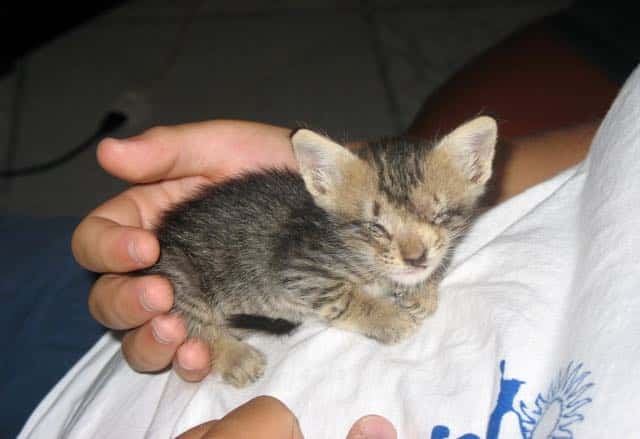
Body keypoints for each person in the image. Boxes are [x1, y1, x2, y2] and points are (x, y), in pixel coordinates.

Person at [14, 12, 640, 438]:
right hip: (166, 315)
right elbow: (301, 270)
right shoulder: (337, 231)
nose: (419, 252)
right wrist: (373, 296)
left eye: (437, 221)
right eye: (383, 232)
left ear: (477, 170)